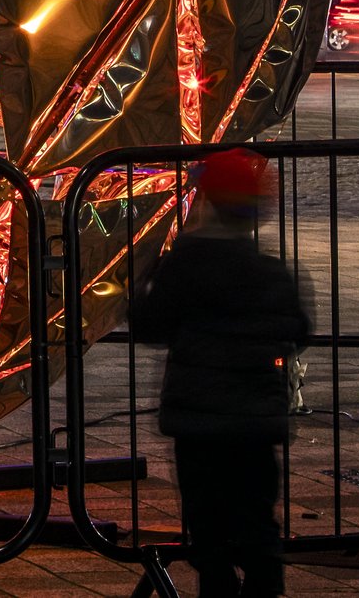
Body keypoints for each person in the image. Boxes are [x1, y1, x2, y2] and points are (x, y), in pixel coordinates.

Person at [129, 148, 311, 598]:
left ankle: (217, 582)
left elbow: (151, 325)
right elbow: (300, 329)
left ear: (204, 202)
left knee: (206, 514)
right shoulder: (272, 274)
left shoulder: (184, 267)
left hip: (200, 418)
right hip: (256, 420)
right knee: (255, 509)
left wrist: (143, 278)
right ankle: (265, 577)